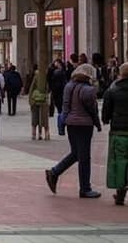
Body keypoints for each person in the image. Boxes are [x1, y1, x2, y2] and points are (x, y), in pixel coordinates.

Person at [45, 62, 102, 199]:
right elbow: (93, 109)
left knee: (76, 153)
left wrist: (63, 123)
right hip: (83, 125)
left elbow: (65, 106)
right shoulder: (88, 89)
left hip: (70, 123)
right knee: (84, 157)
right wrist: (97, 123)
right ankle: (85, 188)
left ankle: (54, 172)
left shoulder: (68, 86)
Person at [102, 61, 128, 205]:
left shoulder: (112, 91)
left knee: (119, 162)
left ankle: (120, 195)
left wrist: (107, 120)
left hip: (118, 131)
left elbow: (105, 115)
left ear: (120, 74)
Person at [26, 65, 50, 140]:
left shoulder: (36, 77)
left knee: (35, 117)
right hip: (43, 100)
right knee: (43, 118)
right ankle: (45, 134)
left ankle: (34, 134)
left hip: (35, 100)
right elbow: (48, 89)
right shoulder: (46, 78)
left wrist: (30, 100)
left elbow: (31, 89)